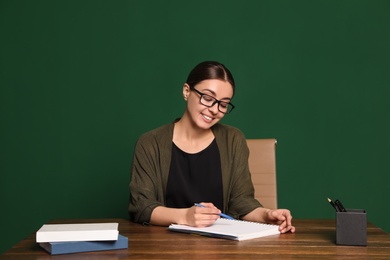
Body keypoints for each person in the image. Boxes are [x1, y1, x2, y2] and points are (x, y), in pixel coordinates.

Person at [128, 61, 295, 233]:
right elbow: (142, 206)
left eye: (223, 104)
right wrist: (186, 217)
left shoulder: (233, 140)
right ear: (186, 91)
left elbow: (241, 202)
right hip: (164, 245)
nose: (214, 110)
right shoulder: (150, 143)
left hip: (221, 245)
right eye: (207, 98)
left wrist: (267, 215)